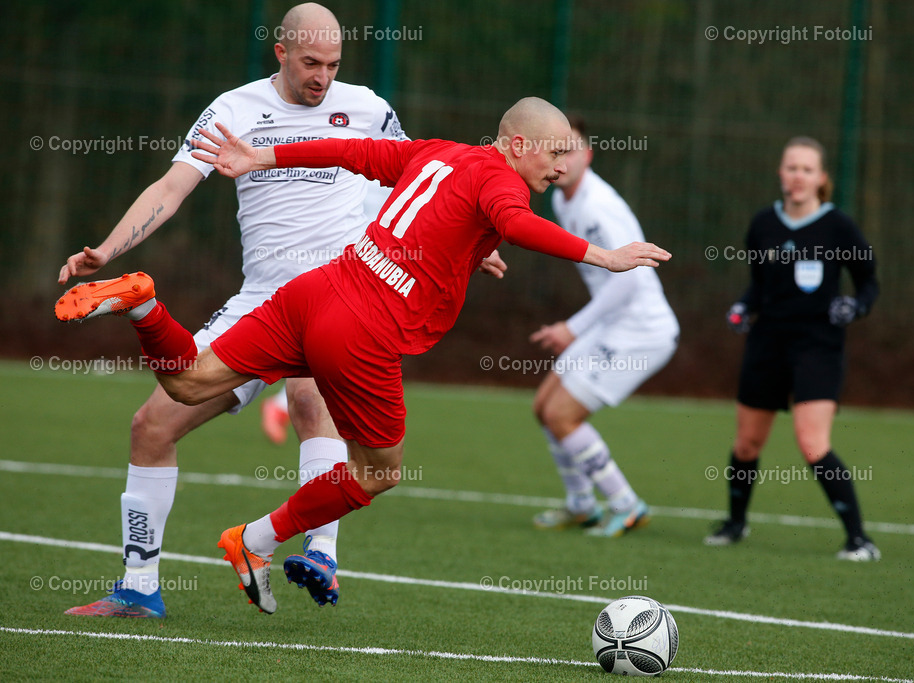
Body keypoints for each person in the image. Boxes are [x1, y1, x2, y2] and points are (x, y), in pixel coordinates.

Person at [55, 96, 671, 614]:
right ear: (516, 145)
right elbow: (516, 223)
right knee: (379, 471)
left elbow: (351, 152)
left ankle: (144, 305)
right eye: (554, 151)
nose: (562, 165)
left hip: (316, 290)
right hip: (361, 330)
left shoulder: (440, 152)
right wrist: (605, 256)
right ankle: (256, 539)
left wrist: (264, 156)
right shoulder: (502, 182)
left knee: (188, 382)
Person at [59, 3, 408, 618]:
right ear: (280, 51)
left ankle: (321, 552)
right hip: (260, 304)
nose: (323, 76)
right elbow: (171, 187)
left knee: (309, 399)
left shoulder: (369, 109)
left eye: (333, 64)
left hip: (337, 298)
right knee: (152, 426)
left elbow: (418, 182)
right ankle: (138, 589)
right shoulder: (234, 109)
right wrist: (108, 249)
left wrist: (472, 246)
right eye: (310, 62)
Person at [705, 136, 881, 561]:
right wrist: (742, 308)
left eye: (807, 169)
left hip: (817, 346)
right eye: (791, 167)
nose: (798, 176)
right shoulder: (763, 224)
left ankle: (860, 540)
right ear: (780, 173)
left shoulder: (839, 227)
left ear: (821, 178)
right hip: (767, 344)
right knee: (746, 444)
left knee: (812, 443)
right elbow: (759, 286)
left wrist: (855, 306)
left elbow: (869, 284)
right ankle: (735, 523)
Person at [529, 117, 678, 537]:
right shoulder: (565, 200)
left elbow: (630, 280)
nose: (563, 159)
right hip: (612, 321)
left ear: (589, 155)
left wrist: (573, 328)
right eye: (556, 149)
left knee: (562, 415)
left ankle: (626, 505)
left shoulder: (597, 205)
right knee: (544, 408)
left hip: (641, 329)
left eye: (571, 149)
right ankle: (582, 505)